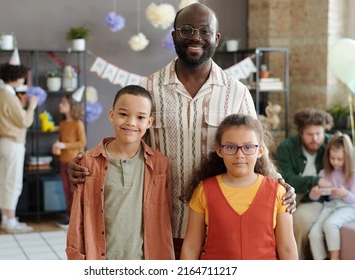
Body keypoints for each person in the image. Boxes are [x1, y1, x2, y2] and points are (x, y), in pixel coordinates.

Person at [68, 3, 296, 259]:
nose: (195, 37)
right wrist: (88, 164)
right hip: (163, 224)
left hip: (221, 226)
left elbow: (254, 148)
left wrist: (281, 185)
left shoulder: (237, 92)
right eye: (186, 30)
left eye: (204, 30)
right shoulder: (149, 88)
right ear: (174, 36)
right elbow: (129, 140)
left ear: (216, 38)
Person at [66, 85, 174, 260]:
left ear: (149, 122)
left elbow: (165, 218)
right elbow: (77, 219)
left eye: (140, 117)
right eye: (123, 114)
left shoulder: (161, 164)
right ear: (112, 115)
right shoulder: (88, 162)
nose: (131, 122)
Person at [180, 114, 298, 260]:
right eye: (230, 147)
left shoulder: (278, 192)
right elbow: (191, 246)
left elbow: (287, 249)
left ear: (260, 151)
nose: (239, 154)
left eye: (248, 147)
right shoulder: (204, 190)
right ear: (219, 151)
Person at [274, 108, 334, 259]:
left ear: (324, 131)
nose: (315, 139)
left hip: (318, 198)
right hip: (289, 194)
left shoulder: (332, 143)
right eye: (309, 134)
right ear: (301, 133)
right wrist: (315, 181)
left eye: (318, 134)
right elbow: (285, 178)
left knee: (298, 221)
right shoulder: (286, 147)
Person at [0, 62, 38, 233]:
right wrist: (32, 106)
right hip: (13, 143)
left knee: (5, 181)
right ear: (16, 78)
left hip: (5, 142)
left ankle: (6, 217)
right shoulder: (9, 96)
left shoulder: (0, 93)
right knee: (13, 182)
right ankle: (11, 220)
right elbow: (25, 121)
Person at [308, 132, 355, 260]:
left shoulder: (352, 174)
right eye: (332, 158)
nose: (335, 162)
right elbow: (314, 198)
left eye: (339, 159)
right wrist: (315, 192)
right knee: (314, 234)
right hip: (330, 206)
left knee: (330, 224)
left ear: (347, 157)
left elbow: (353, 199)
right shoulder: (324, 173)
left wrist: (345, 193)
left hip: (348, 206)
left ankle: (335, 260)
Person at [52, 93, 87, 229]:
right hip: (63, 161)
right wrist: (57, 146)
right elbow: (62, 141)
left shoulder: (78, 124)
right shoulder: (63, 124)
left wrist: (64, 145)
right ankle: (70, 216)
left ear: (72, 107)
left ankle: (77, 218)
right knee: (66, 190)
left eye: (64, 103)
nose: (60, 105)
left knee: (74, 190)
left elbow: (82, 142)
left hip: (75, 162)